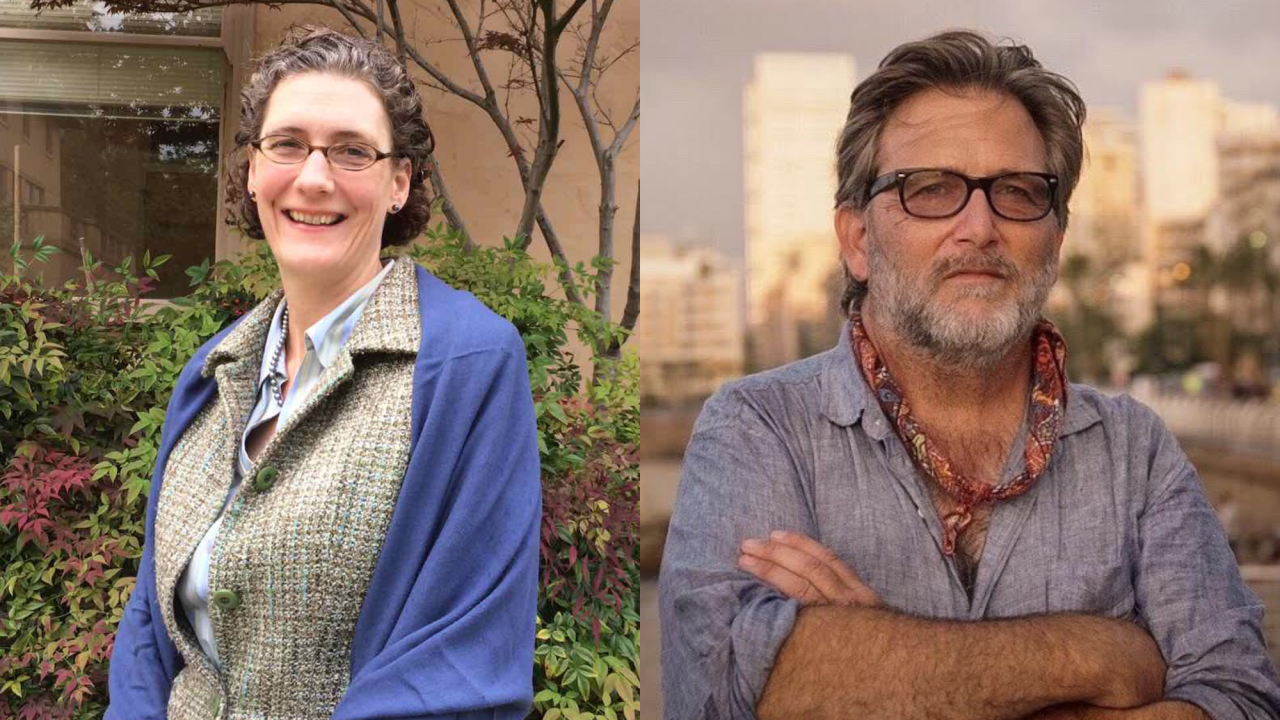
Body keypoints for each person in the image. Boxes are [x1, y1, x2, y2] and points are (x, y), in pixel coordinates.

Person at [659, 30, 1280, 720]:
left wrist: (877, 663)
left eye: (1017, 191)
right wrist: (1103, 657)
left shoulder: (1134, 451)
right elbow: (727, 690)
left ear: (1056, 237)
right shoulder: (758, 428)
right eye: (931, 189)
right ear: (858, 240)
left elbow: (1241, 699)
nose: (980, 227)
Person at [105, 26, 541, 719]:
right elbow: (150, 630)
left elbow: (463, 660)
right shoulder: (211, 375)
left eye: (351, 151)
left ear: (399, 182)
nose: (313, 177)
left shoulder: (466, 365)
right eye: (287, 144)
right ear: (252, 170)